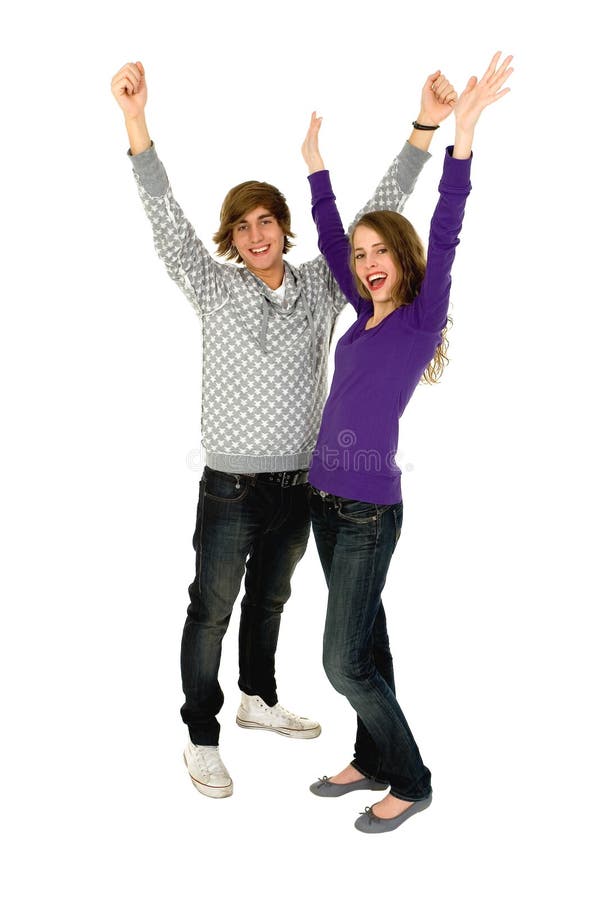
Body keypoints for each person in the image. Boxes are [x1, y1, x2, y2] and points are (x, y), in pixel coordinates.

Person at [110, 60, 454, 799]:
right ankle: (202, 735)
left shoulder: (324, 287)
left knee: (272, 599)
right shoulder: (211, 283)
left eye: (269, 221)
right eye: (245, 225)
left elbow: (380, 210)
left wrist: (422, 129)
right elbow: (163, 211)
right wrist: (136, 122)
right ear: (231, 238)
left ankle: (256, 698)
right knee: (212, 607)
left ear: (283, 228)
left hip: (306, 483)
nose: (259, 233)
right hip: (231, 485)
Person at [301, 51, 513, 832]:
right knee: (369, 645)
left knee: (342, 661)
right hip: (326, 502)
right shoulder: (360, 318)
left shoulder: (421, 319)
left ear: (403, 255)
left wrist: (462, 136)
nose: (366, 263)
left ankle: (412, 778)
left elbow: (448, 226)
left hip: (366, 511)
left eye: (379, 251)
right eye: (361, 257)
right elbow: (327, 239)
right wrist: (317, 172)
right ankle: (371, 755)